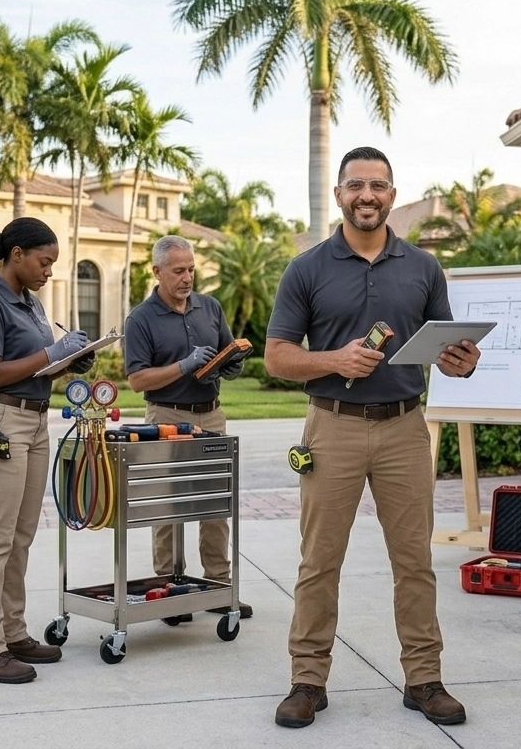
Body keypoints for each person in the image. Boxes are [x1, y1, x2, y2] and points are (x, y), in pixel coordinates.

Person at [265, 147, 481, 729]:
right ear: (339, 194)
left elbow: (444, 345)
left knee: (414, 561)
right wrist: (335, 359)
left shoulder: (423, 267)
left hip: (405, 428)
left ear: (392, 193)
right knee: (319, 562)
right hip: (330, 425)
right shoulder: (307, 268)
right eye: (356, 185)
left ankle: (424, 679)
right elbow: (278, 357)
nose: (368, 195)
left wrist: (462, 362)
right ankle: (307, 680)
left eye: (378, 185)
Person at [0, 217, 95, 684]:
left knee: (20, 536)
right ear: (16, 255)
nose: (49, 271)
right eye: (44, 261)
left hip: (35, 421)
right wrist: (51, 353)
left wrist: (69, 361)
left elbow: (36, 369)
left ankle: (12, 634)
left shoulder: (31, 303)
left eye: (52, 264)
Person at [122, 235, 251, 620]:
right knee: (166, 507)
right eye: (178, 271)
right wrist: (184, 365)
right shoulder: (141, 318)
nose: (187, 277)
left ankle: (218, 587)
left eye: (191, 269)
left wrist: (232, 362)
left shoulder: (209, 307)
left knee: (216, 505)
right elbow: (138, 380)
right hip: (166, 417)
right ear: (157, 271)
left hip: (211, 415)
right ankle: (168, 592)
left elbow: (228, 347)